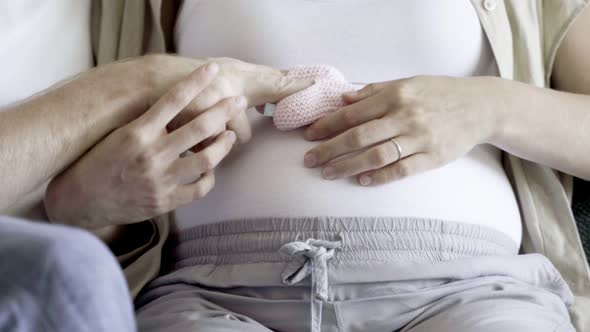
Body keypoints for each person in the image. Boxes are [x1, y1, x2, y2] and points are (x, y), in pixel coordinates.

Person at [43, 1, 590, 331]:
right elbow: (94, 198)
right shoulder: (129, 9)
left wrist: (492, 106)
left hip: (468, 290)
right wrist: (87, 207)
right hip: (216, 296)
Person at [0, 1, 309, 331]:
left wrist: (89, 213)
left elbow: (108, 220)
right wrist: (137, 83)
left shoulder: (122, 16)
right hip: (68, 277)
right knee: (70, 272)